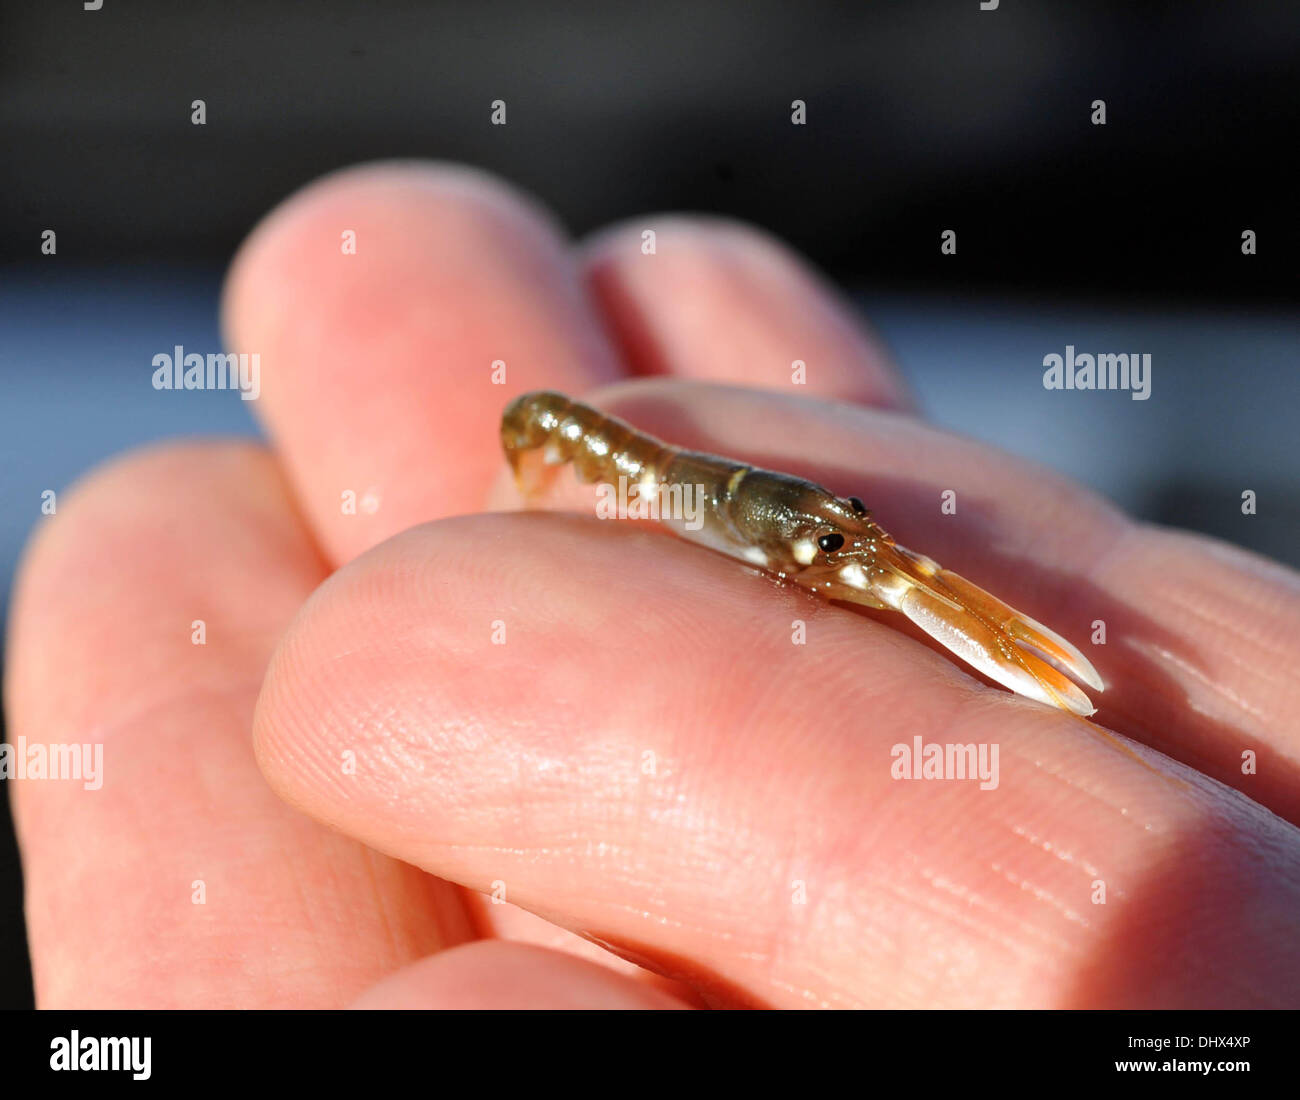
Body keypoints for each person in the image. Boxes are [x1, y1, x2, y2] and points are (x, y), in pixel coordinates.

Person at [9, 162, 1300, 1009]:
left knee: (867, 559)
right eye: (828, 542)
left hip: (674, 474)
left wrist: (867, 561)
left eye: (838, 537)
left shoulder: (815, 532)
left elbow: (851, 550)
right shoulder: (666, 491)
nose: (854, 549)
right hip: (606, 452)